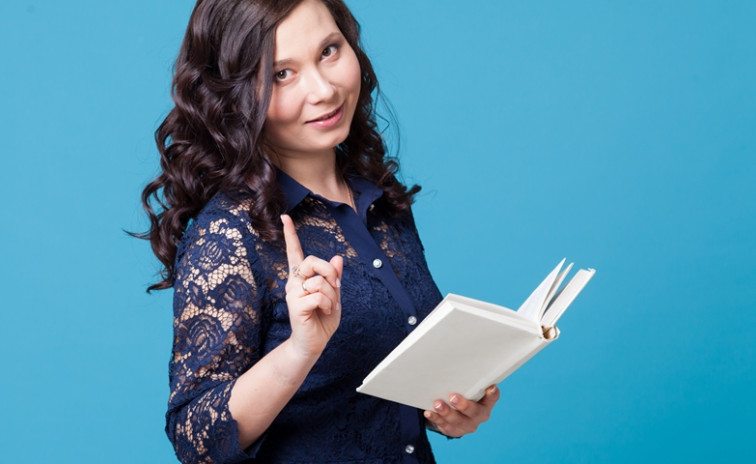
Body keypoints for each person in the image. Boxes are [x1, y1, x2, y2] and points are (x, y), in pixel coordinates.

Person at [138, 0, 499, 462]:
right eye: (281, 74)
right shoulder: (228, 234)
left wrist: (449, 411)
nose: (324, 90)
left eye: (329, 50)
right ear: (235, 97)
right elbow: (195, 440)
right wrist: (299, 351)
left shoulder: (379, 200)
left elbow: (378, 388)